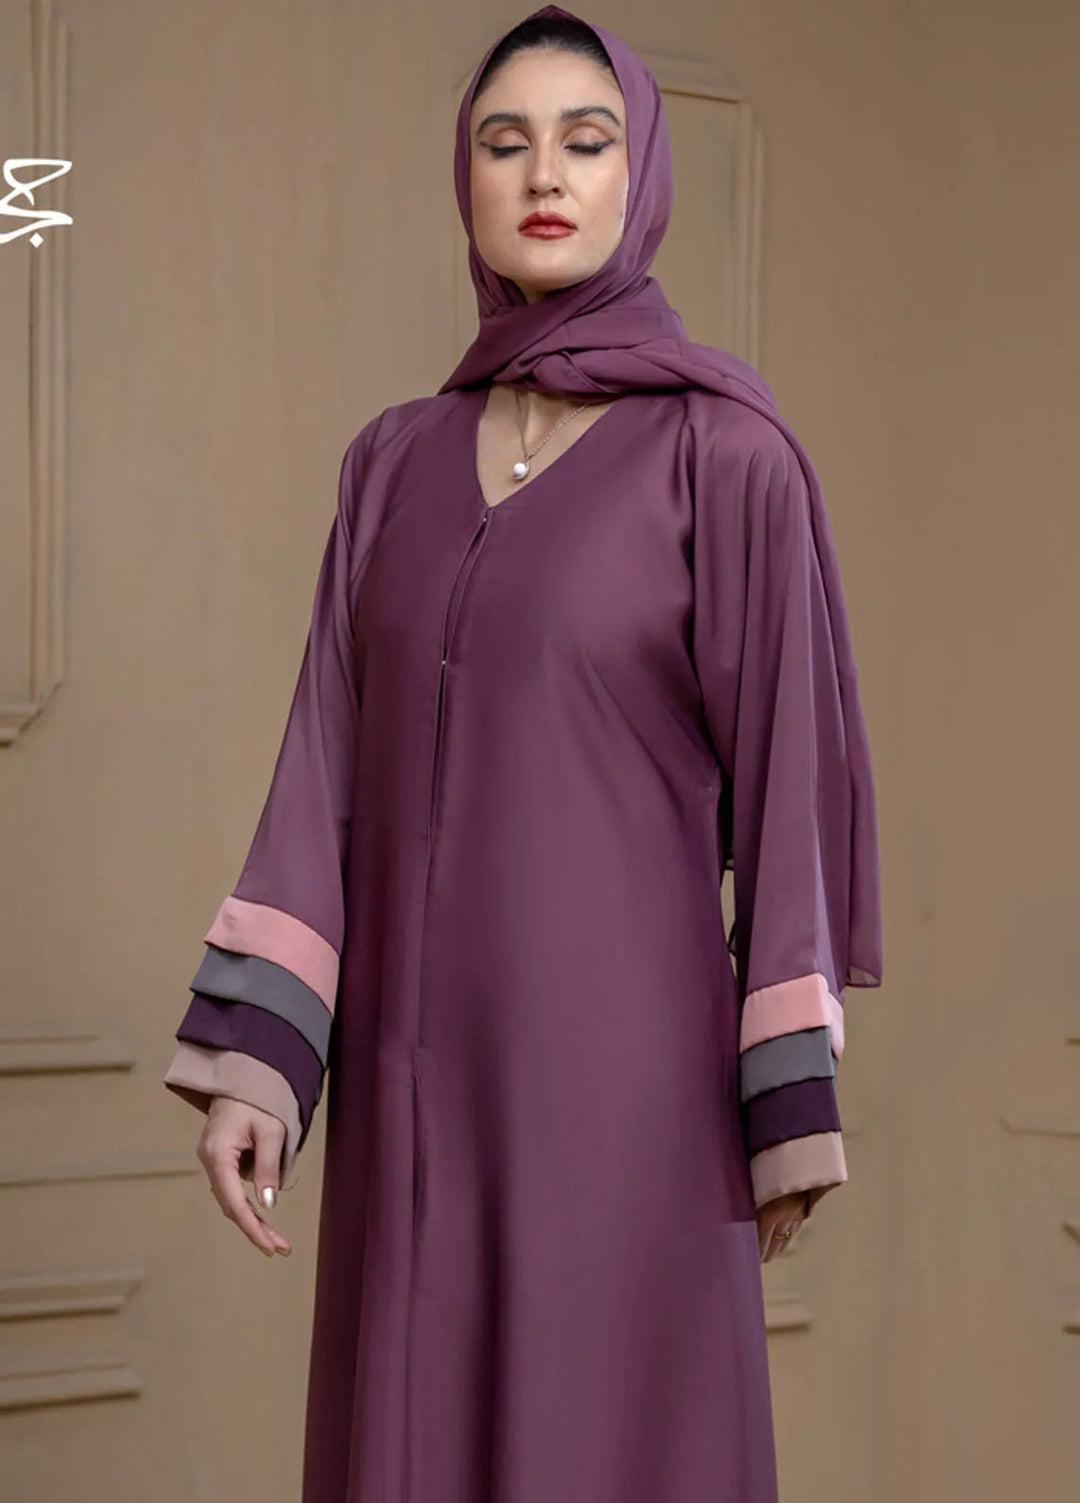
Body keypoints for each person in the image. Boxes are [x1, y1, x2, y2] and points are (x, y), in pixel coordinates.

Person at [163, 6, 883, 1500]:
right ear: (467, 181)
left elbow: (791, 788)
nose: (543, 173)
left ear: (640, 175)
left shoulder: (723, 458)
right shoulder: (391, 463)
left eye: (585, 140)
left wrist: (786, 1106)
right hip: (409, 1095)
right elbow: (322, 763)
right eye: (505, 143)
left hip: (626, 1103)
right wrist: (261, 1070)